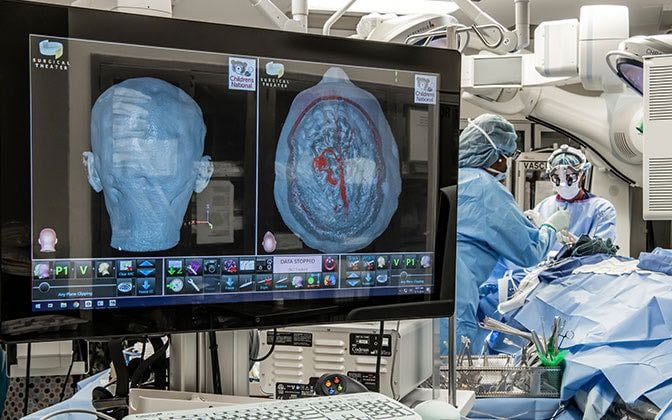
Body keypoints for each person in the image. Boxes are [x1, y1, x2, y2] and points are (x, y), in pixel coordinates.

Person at [444, 114, 570, 352]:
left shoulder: (451, 179)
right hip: (457, 299)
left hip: (433, 295)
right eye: (509, 155)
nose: (508, 163)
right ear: (495, 154)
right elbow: (530, 253)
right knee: (449, 376)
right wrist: (550, 227)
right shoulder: (485, 188)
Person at [529, 145, 617, 247]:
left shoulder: (602, 209)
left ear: (583, 175)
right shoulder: (543, 207)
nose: (563, 184)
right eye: (557, 178)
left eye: (570, 178)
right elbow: (534, 248)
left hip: (585, 264)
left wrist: (568, 241)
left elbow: (601, 251)